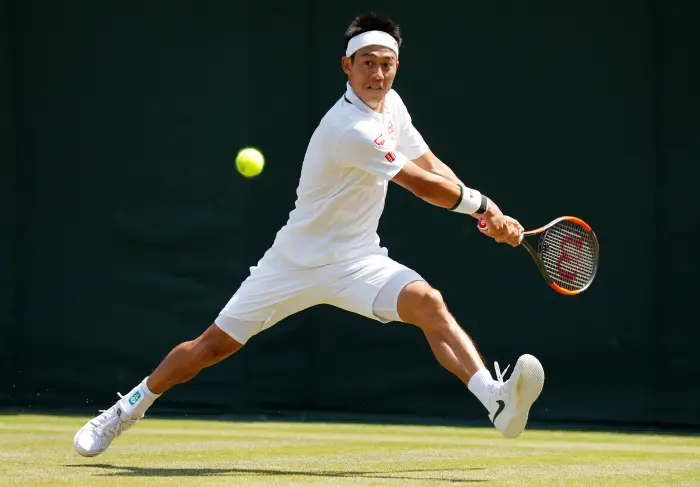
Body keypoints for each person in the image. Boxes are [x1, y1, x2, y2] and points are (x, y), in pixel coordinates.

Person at [73, 13, 544, 457]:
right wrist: (480, 207)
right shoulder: (350, 128)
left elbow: (430, 164)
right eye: (367, 64)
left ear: (397, 67)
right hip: (294, 263)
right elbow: (420, 185)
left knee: (429, 303)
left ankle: (496, 402)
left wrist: (490, 212)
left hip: (359, 260)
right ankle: (123, 411)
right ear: (347, 66)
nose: (377, 75)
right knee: (209, 348)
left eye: (386, 65)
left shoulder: (391, 107)